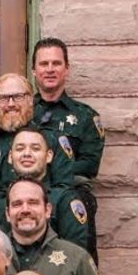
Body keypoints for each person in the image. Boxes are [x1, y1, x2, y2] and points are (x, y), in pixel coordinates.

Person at [32, 38, 103, 262]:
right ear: (34, 71)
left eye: (56, 63)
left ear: (67, 69)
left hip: (69, 193)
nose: (50, 69)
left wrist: (50, 170)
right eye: (44, 64)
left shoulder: (85, 116)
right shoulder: (23, 114)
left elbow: (90, 164)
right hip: (29, 192)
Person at [0, 73, 73, 193]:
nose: (11, 104)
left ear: (30, 100)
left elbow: (64, 191)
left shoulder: (53, 141)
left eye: (18, 97)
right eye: (3, 98)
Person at [0, 127, 88, 250]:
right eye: (20, 149)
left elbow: (76, 254)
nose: (27, 154)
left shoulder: (64, 200)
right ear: (10, 156)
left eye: (35, 149)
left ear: (49, 156)